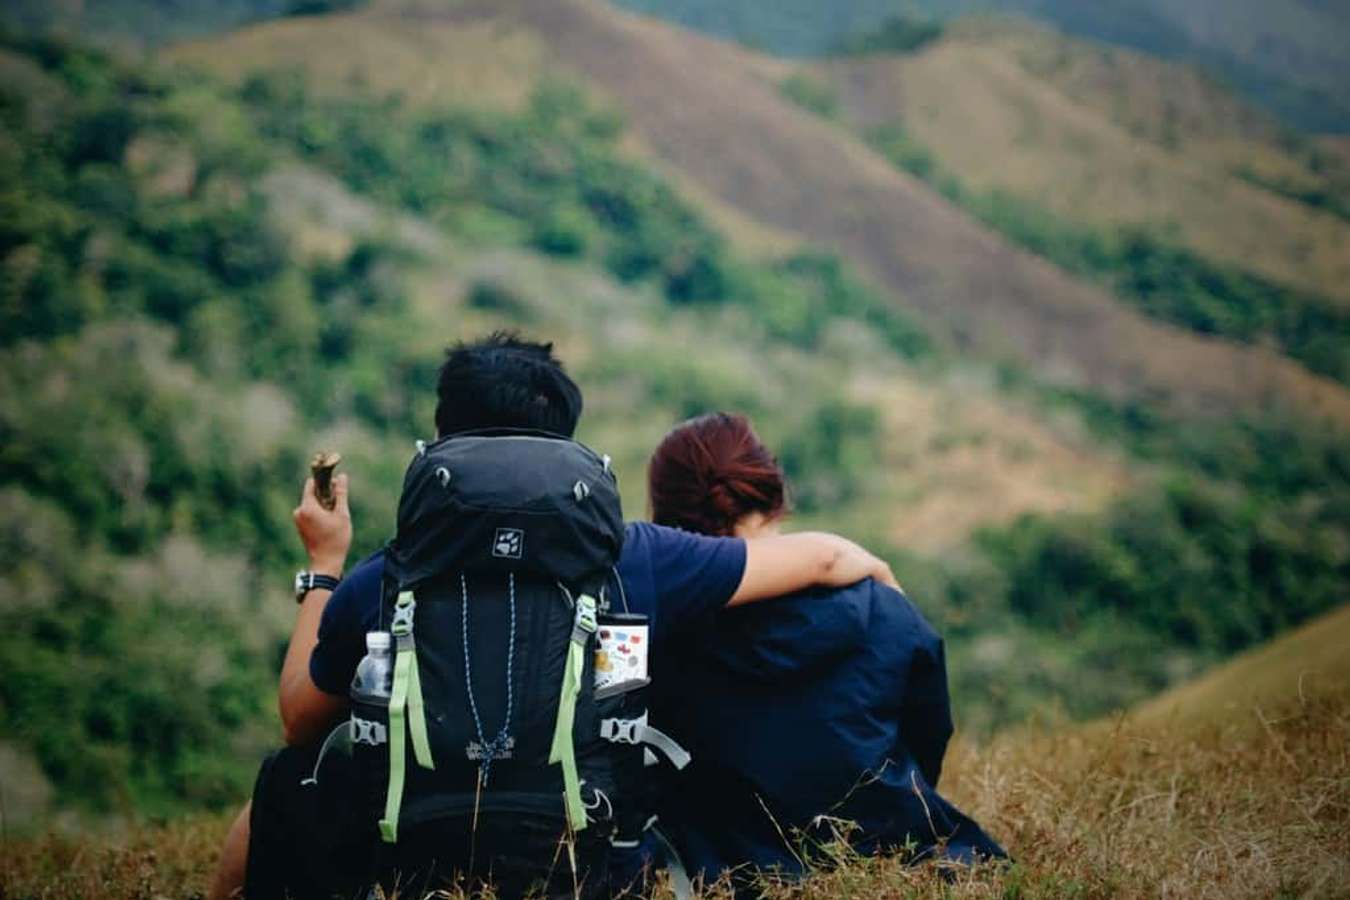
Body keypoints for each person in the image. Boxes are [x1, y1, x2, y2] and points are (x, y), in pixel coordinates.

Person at [209, 333, 901, 899]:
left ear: (444, 438)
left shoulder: (383, 579)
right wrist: (884, 586)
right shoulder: (638, 558)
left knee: (281, 781)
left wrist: (323, 567)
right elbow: (823, 560)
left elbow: (300, 720)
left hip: (411, 867)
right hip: (591, 870)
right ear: (563, 440)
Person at [641, 413, 1005, 894]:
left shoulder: (659, 630)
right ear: (770, 487)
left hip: (732, 875)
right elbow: (928, 733)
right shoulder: (879, 606)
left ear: (669, 514)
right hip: (907, 863)